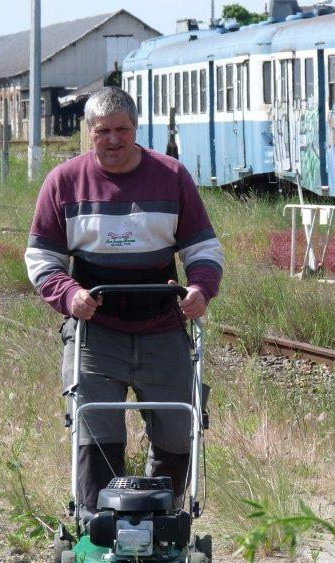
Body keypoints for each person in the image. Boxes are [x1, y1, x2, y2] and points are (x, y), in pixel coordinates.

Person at [25, 86, 224, 519]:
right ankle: (98, 524)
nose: (113, 139)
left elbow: (204, 250)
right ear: (89, 133)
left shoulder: (171, 177)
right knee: (97, 430)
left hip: (163, 328)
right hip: (96, 332)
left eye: (123, 129)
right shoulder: (64, 182)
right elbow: (41, 258)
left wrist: (200, 290)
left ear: (136, 129)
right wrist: (69, 294)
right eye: (103, 131)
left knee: (178, 429)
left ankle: (163, 520)